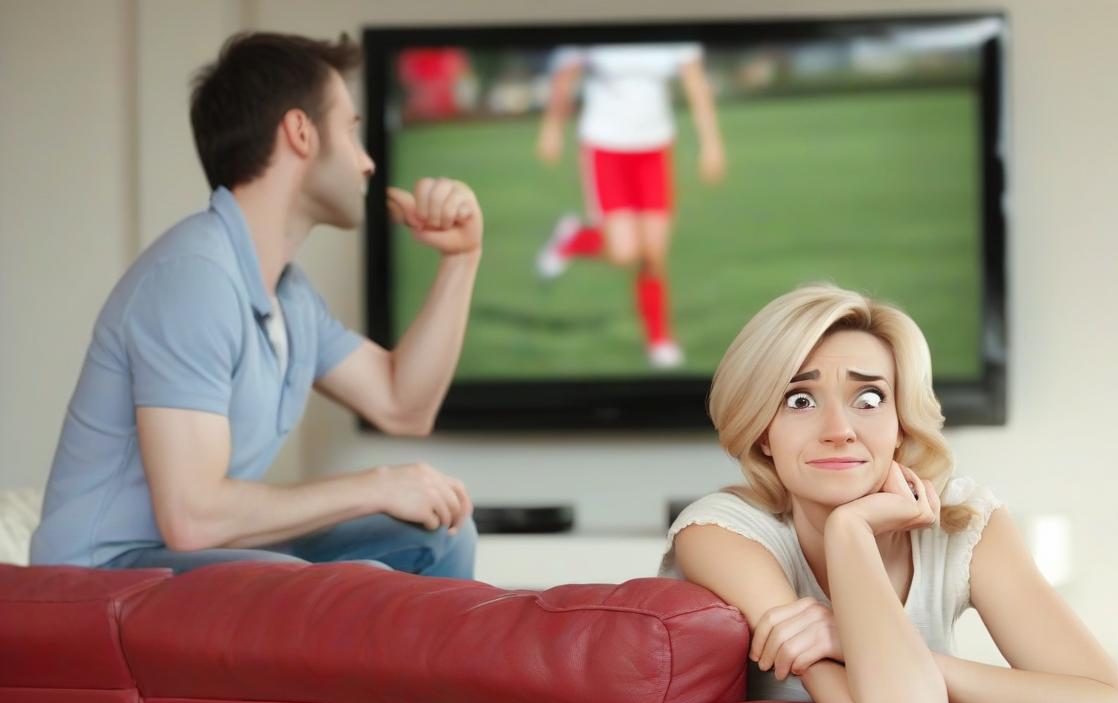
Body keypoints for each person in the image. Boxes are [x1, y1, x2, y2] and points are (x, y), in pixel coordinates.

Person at [31, 32, 483, 576]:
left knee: (437, 538)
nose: (367, 163)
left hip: (182, 562)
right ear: (300, 132)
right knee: (302, 587)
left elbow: (403, 404)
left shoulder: (289, 297)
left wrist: (462, 258)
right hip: (101, 578)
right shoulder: (195, 277)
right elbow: (191, 517)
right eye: (351, 131)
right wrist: (376, 486)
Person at [660, 284, 1118, 703]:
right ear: (763, 431)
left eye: (869, 398)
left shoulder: (963, 522)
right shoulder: (720, 534)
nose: (839, 429)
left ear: (900, 422)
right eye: (800, 401)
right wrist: (851, 532)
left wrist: (847, 639)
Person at [534, 43, 726, 369]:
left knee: (653, 253)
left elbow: (695, 81)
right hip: (604, 145)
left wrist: (711, 143)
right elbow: (565, 77)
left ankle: (659, 341)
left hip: (654, 147)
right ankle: (575, 241)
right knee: (624, 252)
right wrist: (552, 129)